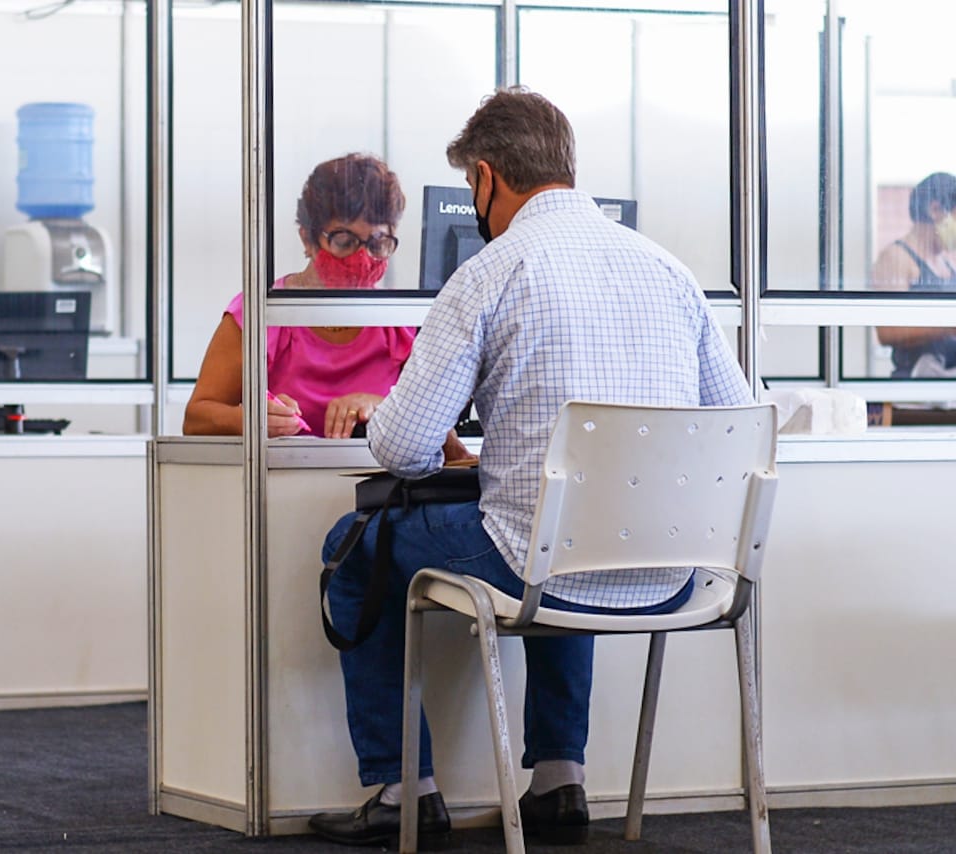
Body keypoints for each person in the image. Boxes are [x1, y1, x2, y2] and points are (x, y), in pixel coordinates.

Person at [309, 88, 754, 848]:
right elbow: (739, 430)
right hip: (678, 573)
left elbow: (399, 450)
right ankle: (559, 782)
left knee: (355, 547)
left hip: (538, 566)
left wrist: (446, 443)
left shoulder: (490, 272)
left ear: (485, 178)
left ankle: (400, 792)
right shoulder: (669, 271)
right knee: (574, 528)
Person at [184, 153, 472, 452]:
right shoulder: (262, 315)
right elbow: (197, 417)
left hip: (381, 490)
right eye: (344, 241)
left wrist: (383, 406)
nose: (362, 258)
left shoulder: (400, 322)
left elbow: (436, 419)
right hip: (281, 485)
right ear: (307, 239)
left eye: (377, 244)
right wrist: (253, 420)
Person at [871, 171, 956, 377]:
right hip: (915, 393)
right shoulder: (896, 257)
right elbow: (887, 332)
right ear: (936, 210)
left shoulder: (945, 263)